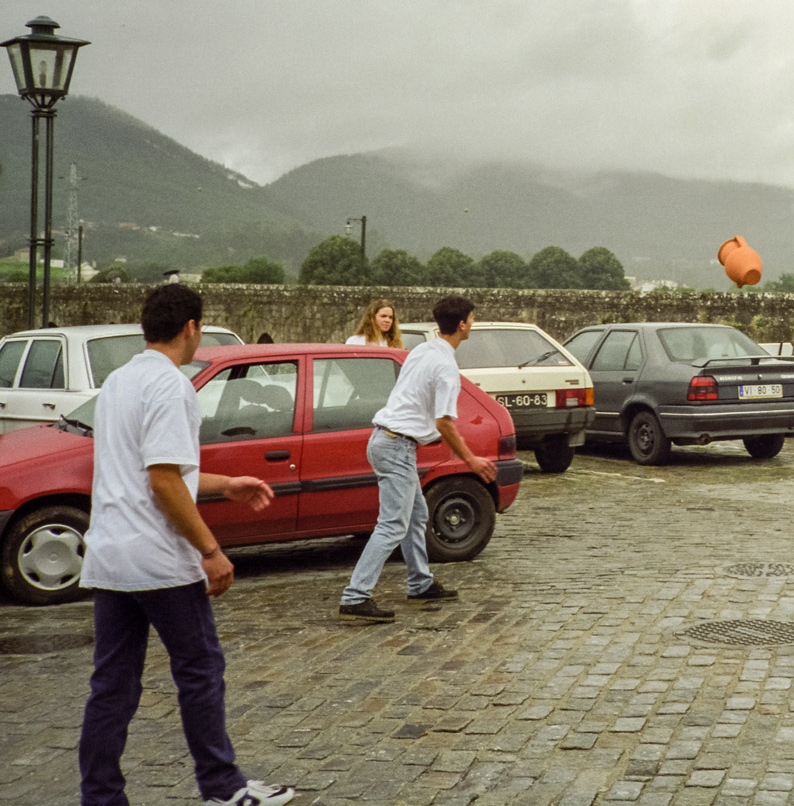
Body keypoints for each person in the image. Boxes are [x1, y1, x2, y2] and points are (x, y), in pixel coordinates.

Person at [78, 285, 295, 806]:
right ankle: (222, 787)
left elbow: (156, 470)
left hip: (110, 557)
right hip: (159, 561)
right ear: (191, 328)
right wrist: (211, 549)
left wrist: (226, 485)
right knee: (201, 671)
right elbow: (163, 481)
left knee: (112, 686)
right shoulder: (173, 387)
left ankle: (100, 797)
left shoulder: (118, 382)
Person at [338, 296, 497, 621]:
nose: (472, 323)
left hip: (389, 440)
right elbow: (445, 422)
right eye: (472, 319)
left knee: (415, 515)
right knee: (393, 525)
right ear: (463, 324)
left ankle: (420, 582)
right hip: (395, 445)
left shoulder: (423, 350)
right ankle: (355, 597)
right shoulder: (445, 366)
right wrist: (472, 460)